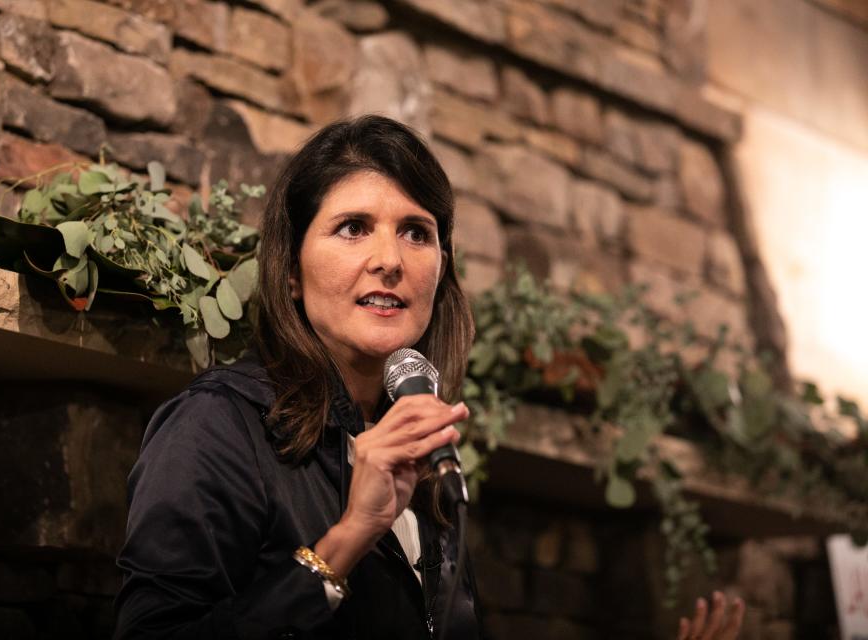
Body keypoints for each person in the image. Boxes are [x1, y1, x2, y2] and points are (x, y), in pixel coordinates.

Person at [114, 114, 744, 640]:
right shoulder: (216, 426)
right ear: (290, 273)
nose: (388, 260)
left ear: (441, 270)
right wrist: (345, 542)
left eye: (416, 233)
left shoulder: (427, 458)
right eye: (353, 227)